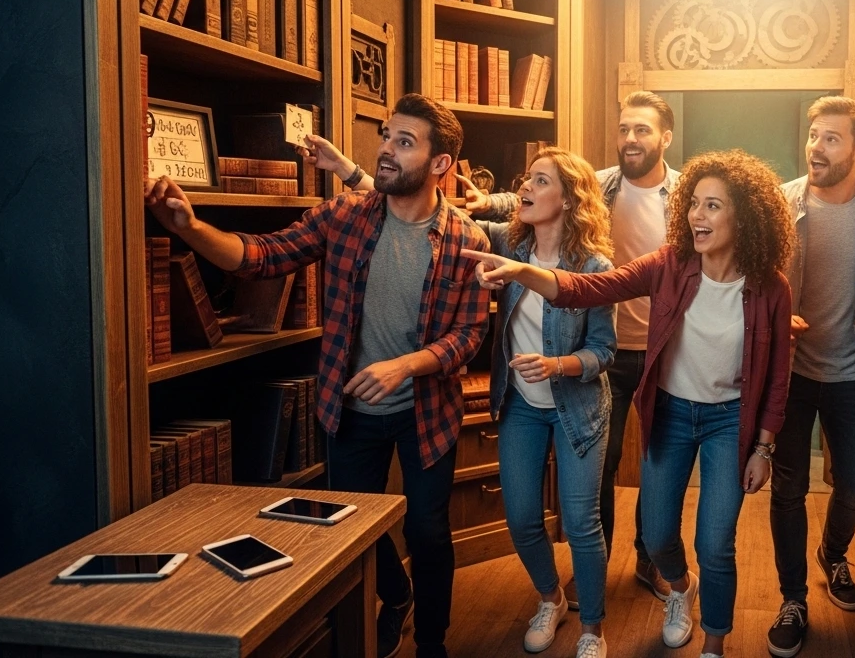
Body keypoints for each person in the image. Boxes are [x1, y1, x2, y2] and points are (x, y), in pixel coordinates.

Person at [148, 94, 490, 658]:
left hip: (426, 411)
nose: (385, 149)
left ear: (439, 165)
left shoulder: (465, 240)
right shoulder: (343, 217)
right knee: (355, 530)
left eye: (404, 142)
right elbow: (260, 255)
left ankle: (432, 644)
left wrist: (406, 365)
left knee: (427, 533)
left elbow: (468, 335)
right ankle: (395, 596)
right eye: (387, 135)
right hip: (349, 410)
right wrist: (189, 227)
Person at [461, 150, 793, 658]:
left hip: (731, 422)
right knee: (659, 539)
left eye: (713, 206)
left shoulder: (770, 287)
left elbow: (776, 379)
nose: (696, 217)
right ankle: (682, 588)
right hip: (673, 415)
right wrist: (521, 271)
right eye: (694, 205)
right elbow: (591, 288)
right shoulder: (670, 264)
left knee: (716, 544)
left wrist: (763, 449)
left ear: (744, 216)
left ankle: (714, 646)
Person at [305, 141, 618, 658]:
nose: (525, 187)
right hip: (519, 406)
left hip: (577, 409)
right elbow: (418, 207)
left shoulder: (595, 264)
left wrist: (558, 364)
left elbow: (604, 351)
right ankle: (551, 599)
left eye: (541, 181)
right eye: (526, 178)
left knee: (582, 524)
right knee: (521, 519)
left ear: (568, 199)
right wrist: (347, 170)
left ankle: (593, 630)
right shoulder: (506, 246)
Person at [466, 91, 682, 605]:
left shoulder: (683, 194)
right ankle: (591, 589)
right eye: (625, 128)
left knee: (657, 466)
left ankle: (651, 561)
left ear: (665, 137)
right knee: (599, 480)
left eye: (643, 130)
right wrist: (485, 200)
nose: (630, 138)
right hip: (595, 356)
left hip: (658, 353)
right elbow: (524, 200)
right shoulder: (598, 184)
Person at [767, 96, 855, 657]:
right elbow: (752, 278)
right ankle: (793, 598)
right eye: (814, 135)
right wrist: (776, 317)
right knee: (789, 488)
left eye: (831, 139)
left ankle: (833, 552)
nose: (816, 147)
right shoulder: (780, 203)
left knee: (854, 487)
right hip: (791, 374)